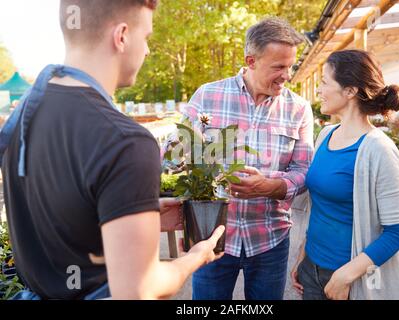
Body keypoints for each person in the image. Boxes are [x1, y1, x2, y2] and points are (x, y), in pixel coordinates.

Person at [0, 0, 223, 300]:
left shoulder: (23, 116)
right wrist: (197, 256)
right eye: (146, 37)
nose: (146, 51)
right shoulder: (127, 141)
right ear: (121, 36)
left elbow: (63, 216)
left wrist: (136, 212)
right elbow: (139, 290)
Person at [179, 17, 314, 300]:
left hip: (270, 240)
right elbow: (179, 153)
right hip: (213, 239)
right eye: (278, 67)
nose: (286, 75)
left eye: (289, 66)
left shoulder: (298, 109)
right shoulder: (208, 95)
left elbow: (304, 170)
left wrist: (270, 186)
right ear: (250, 61)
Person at [291, 50, 399, 300]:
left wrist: (345, 276)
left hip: (351, 280)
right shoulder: (326, 135)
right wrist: (304, 254)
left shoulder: (380, 150)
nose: (319, 90)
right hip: (311, 268)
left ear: (350, 91)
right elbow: (320, 204)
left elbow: (397, 232)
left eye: (324, 82)